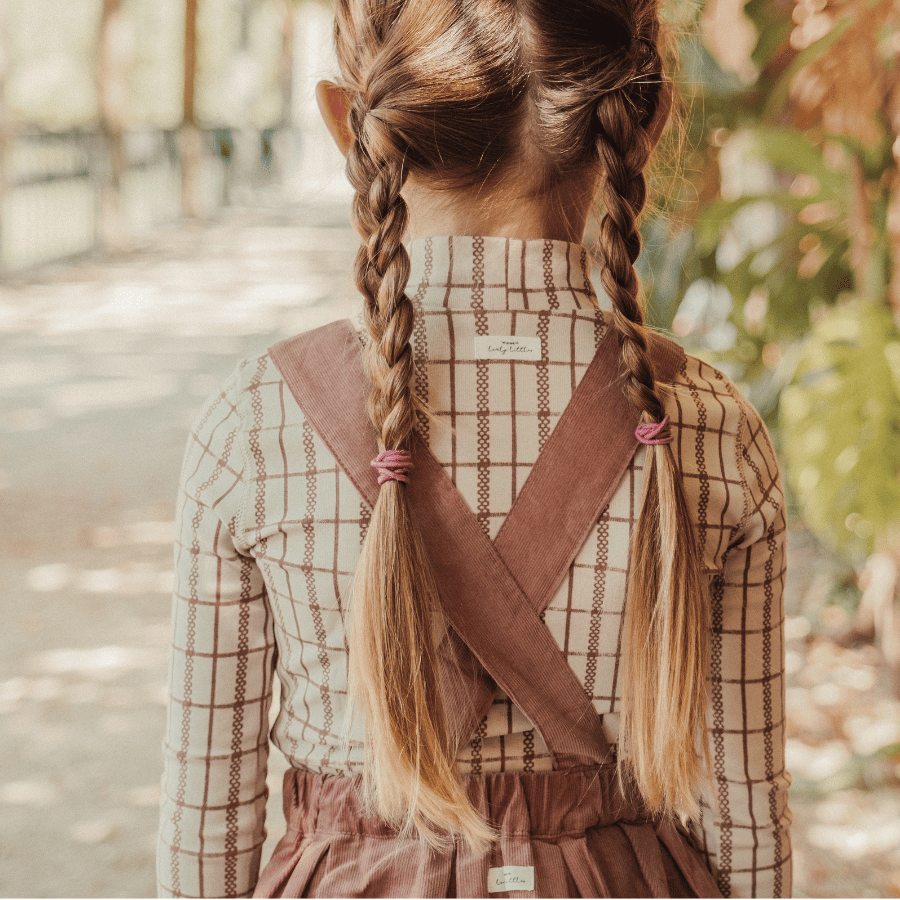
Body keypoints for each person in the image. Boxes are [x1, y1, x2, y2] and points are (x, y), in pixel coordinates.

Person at [157, 0, 792, 896]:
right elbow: (747, 819)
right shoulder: (708, 426)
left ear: (352, 124)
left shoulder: (255, 426)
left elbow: (205, 832)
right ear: (644, 118)